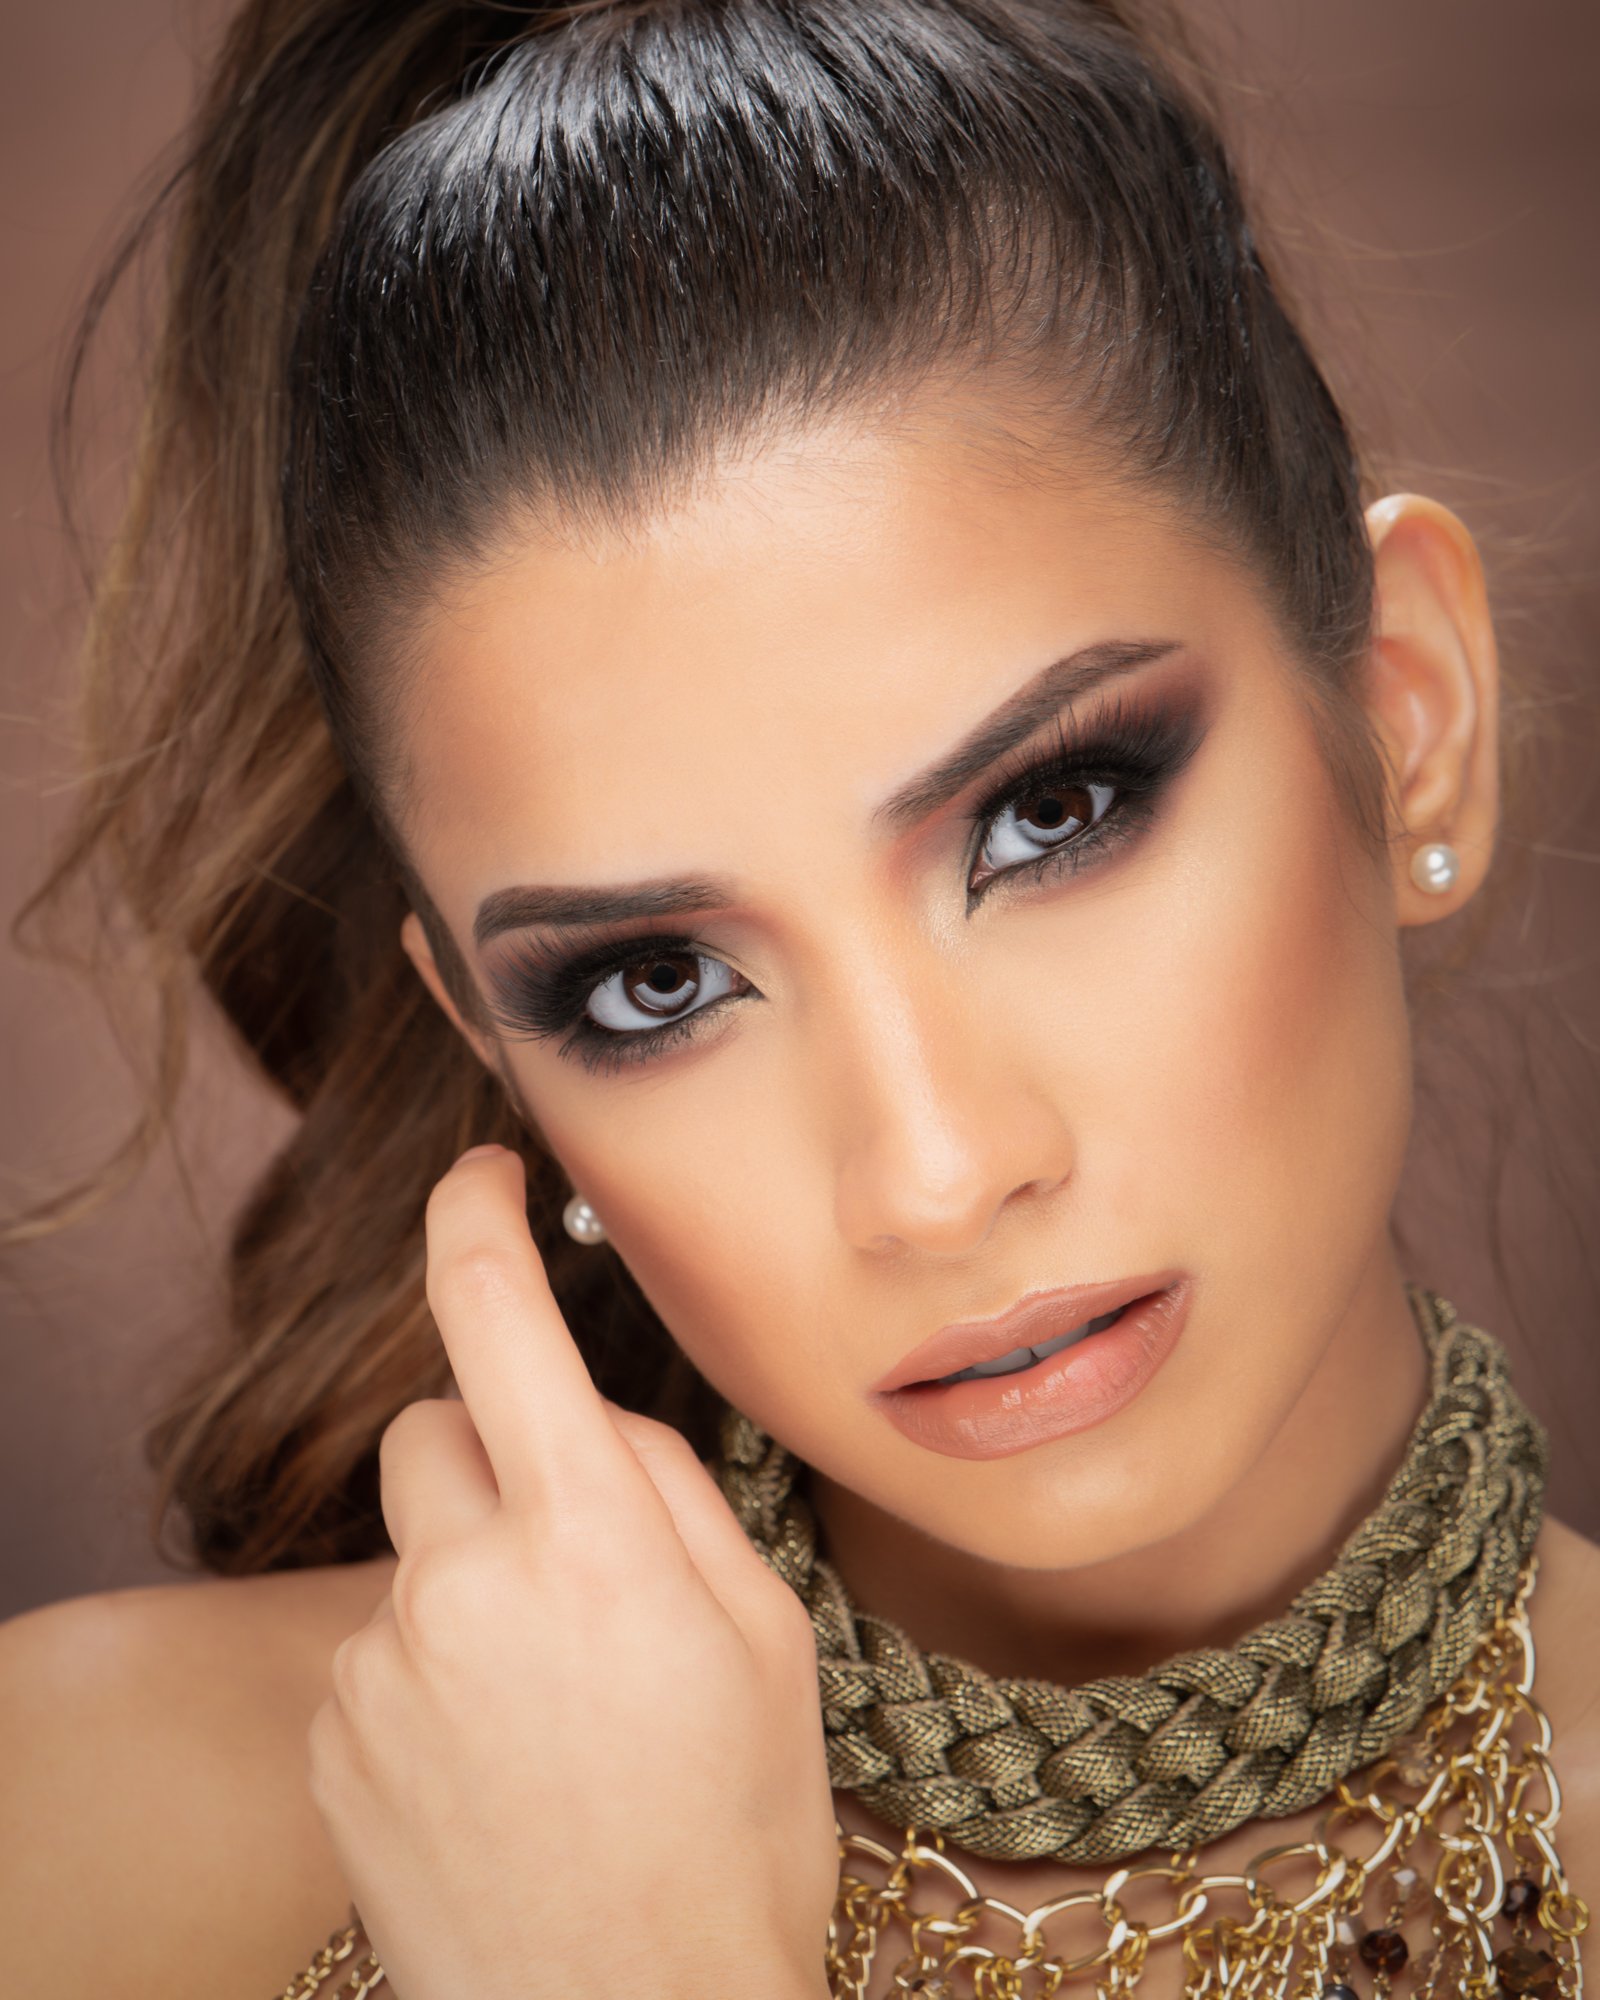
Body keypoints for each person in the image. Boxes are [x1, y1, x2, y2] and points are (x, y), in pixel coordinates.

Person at [0, 1, 1595, 1995]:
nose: (932, 1173)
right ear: (489, 1047)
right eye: (656, 981)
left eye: (1046, 814)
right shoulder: (69, 1833)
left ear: (1408, 724)